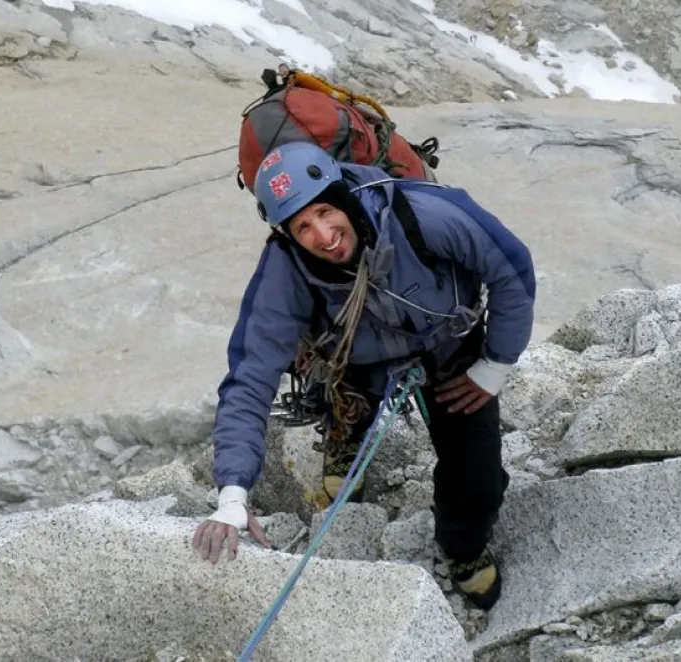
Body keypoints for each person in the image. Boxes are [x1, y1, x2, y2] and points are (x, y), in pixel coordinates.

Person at [191, 141, 535, 612]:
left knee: (477, 478)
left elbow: (511, 269)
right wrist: (232, 492)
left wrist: (493, 366)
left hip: (450, 347)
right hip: (353, 359)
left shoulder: (425, 215)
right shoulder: (285, 270)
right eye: (302, 226)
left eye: (326, 211)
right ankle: (345, 431)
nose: (324, 235)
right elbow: (249, 377)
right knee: (344, 402)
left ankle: (463, 549)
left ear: (345, 198)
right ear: (287, 234)